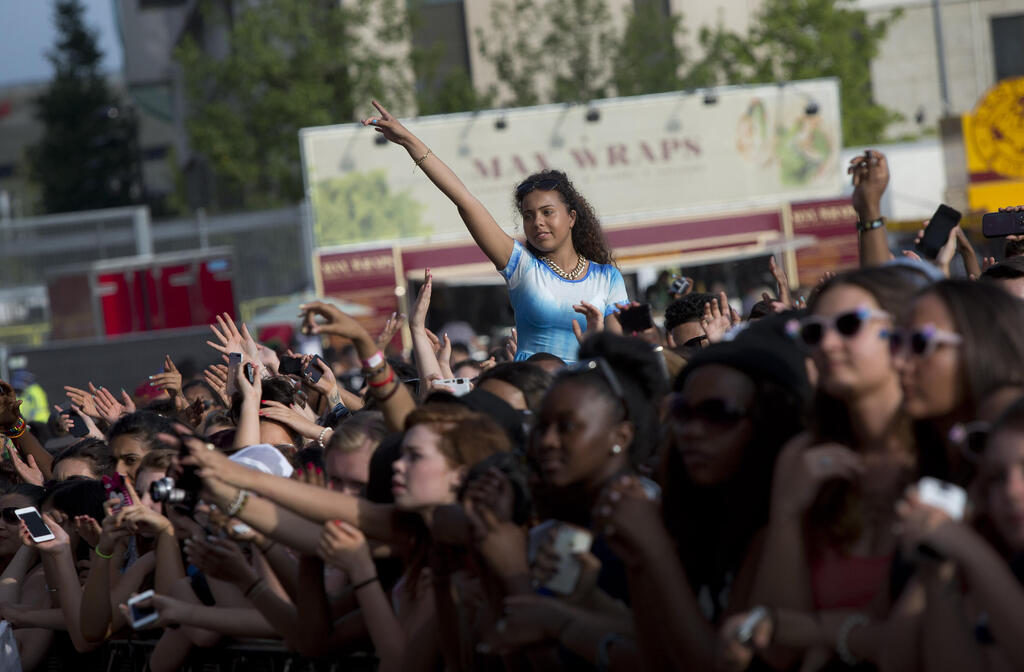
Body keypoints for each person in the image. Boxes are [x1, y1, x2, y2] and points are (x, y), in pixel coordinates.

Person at [364, 100, 628, 363]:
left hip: (591, 389)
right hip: (529, 393)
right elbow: (464, 200)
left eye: (547, 212)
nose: (537, 222)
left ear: (571, 218)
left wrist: (597, 339)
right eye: (528, 215)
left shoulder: (608, 278)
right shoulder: (521, 266)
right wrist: (409, 141)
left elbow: (620, 355)